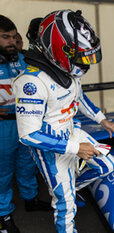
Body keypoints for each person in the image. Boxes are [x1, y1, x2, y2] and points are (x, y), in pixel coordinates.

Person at [13, 10, 114, 233]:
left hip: (72, 132)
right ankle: (64, 197)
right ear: (57, 49)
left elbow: (78, 97)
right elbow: (28, 135)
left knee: (108, 165)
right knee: (65, 206)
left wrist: (102, 120)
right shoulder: (30, 82)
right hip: (49, 147)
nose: (85, 64)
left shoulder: (66, 71)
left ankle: (67, 188)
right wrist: (76, 148)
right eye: (81, 58)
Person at [0, 15, 51, 233]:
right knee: (3, 172)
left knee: (27, 163)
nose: (12, 41)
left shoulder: (23, 60)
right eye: (5, 37)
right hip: (3, 127)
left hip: (27, 123)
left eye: (13, 37)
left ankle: (30, 199)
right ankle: (3, 214)